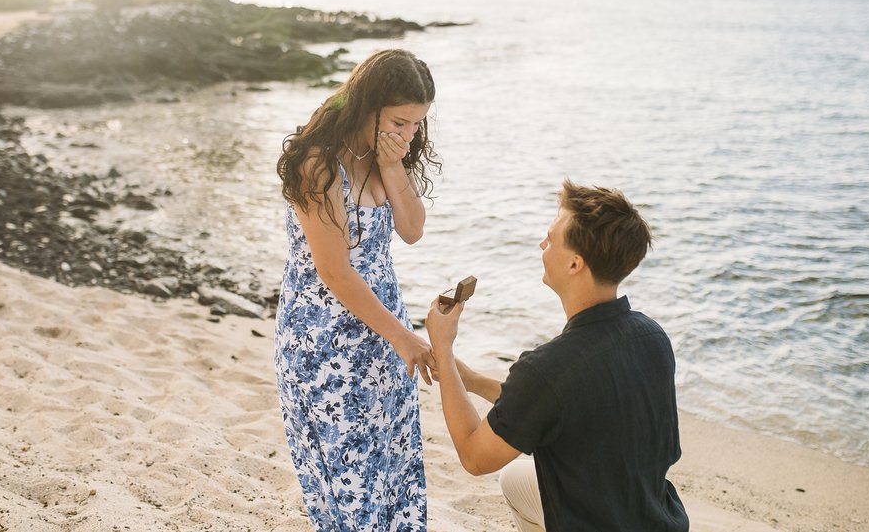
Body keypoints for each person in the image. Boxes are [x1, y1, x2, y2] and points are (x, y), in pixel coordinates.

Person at [425, 181, 689, 532]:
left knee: (510, 476)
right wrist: (469, 381)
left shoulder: (547, 368)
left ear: (575, 264)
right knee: (518, 478)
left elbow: (475, 456)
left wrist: (442, 347)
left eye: (550, 238)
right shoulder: (652, 336)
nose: (542, 245)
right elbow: (552, 403)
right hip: (658, 519)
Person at [274, 49, 441, 531]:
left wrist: (394, 168)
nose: (408, 134)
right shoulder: (317, 165)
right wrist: (404, 337)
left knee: (392, 467)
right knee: (351, 483)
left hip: (383, 333)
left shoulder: (384, 156)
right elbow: (334, 272)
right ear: (367, 107)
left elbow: (412, 230)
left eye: (416, 124)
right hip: (324, 343)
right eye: (399, 122)